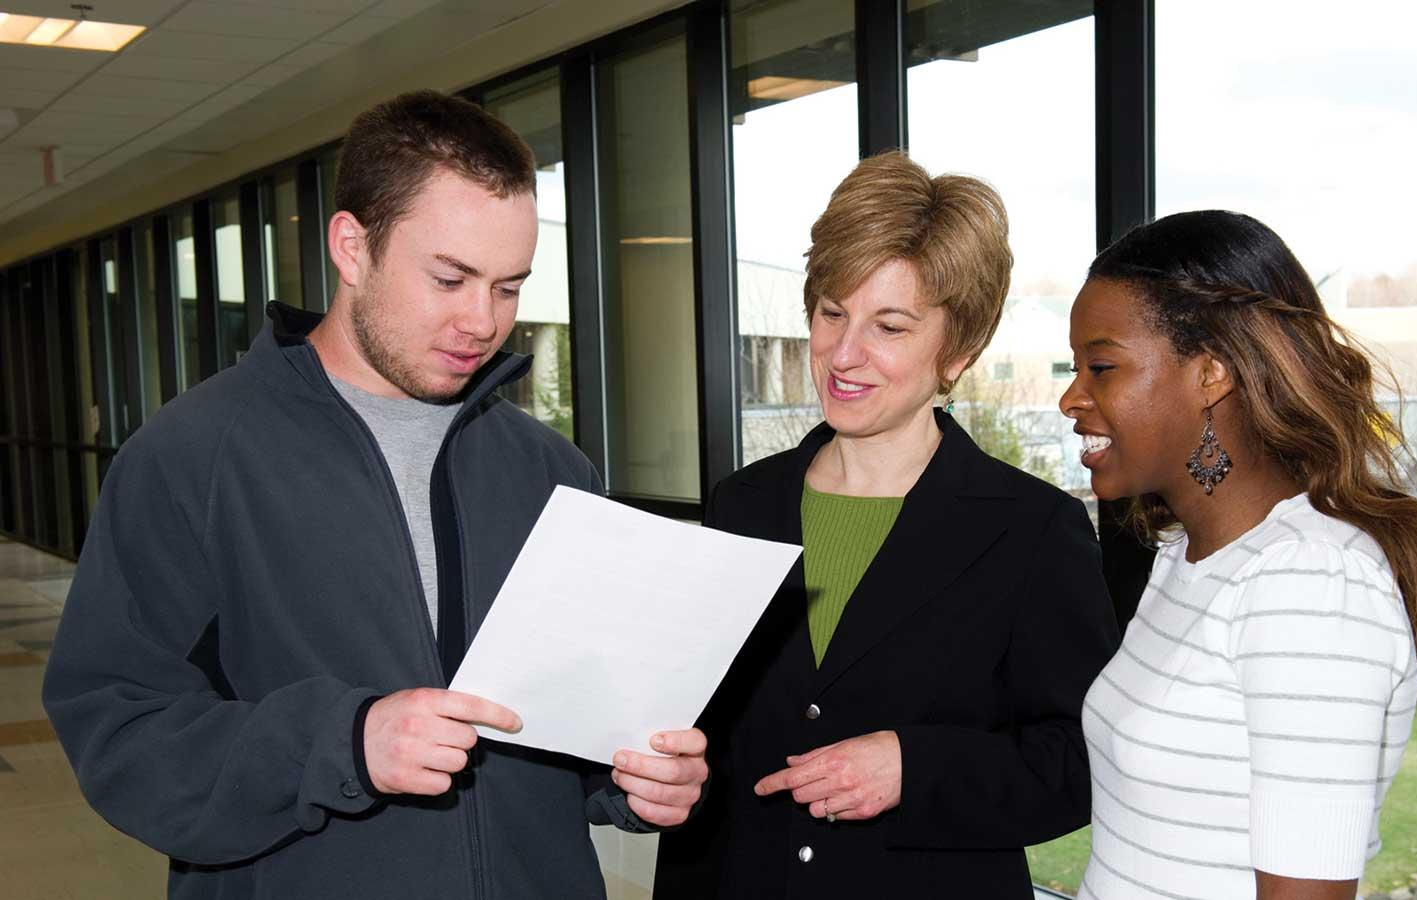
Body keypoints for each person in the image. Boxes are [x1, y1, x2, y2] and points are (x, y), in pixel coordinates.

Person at [41, 90, 707, 900]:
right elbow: (120, 732)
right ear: (352, 249)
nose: (482, 321)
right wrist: (344, 742)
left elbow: (577, 720)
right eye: (451, 278)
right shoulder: (192, 457)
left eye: (508, 287)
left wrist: (632, 780)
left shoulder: (550, 471)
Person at [653, 152, 1121, 899]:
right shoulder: (739, 504)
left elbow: (1082, 762)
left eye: (889, 326)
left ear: (959, 351)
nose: (843, 354)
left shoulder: (1035, 530)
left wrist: (917, 766)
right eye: (832, 312)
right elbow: (700, 732)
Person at [1059, 210, 1417, 900]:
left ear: (1211, 374)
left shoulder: (1310, 584)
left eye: (1102, 367)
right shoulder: (1189, 557)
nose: (1071, 397)